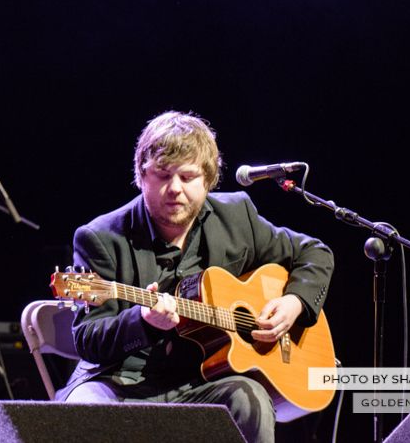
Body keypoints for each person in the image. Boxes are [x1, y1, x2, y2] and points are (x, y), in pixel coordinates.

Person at [57, 111, 333, 443]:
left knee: (250, 399)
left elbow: (314, 253)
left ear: (208, 179)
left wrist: (293, 302)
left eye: (187, 178)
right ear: (141, 176)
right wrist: (143, 321)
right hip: (120, 382)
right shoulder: (100, 237)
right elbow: (87, 339)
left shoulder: (236, 216)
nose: (174, 189)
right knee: (84, 413)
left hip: (202, 382)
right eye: (162, 176)